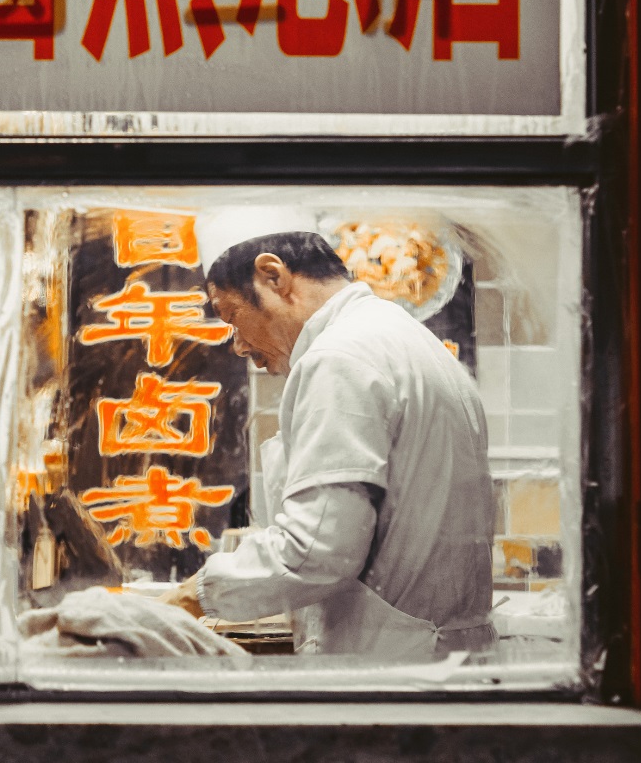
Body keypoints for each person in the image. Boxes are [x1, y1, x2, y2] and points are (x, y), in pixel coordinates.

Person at [161, 210, 496, 660]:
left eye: (231, 316)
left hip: (390, 669)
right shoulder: (404, 338)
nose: (237, 343)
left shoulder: (340, 356)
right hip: (439, 658)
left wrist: (192, 595)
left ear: (273, 275)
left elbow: (316, 551)